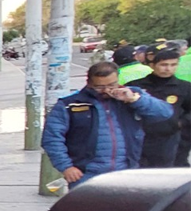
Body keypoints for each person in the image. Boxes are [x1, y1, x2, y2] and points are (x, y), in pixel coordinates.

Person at [42, 61, 174, 185]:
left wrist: (134, 100)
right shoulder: (69, 104)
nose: (106, 90)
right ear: (89, 83)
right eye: (99, 87)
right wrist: (66, 167)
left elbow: (164, 113)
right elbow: (52, 138)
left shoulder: (132, 95)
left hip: (127, 172)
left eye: (111, 85)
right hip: (86, 174)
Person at [129, 45, 191, 168]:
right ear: (153, 65)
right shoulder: (136, 86)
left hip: (174, 140)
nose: (168, 69)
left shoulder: (184, 87)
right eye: (164, 65)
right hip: (142, 140)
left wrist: (180, 123)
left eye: (173, 65)